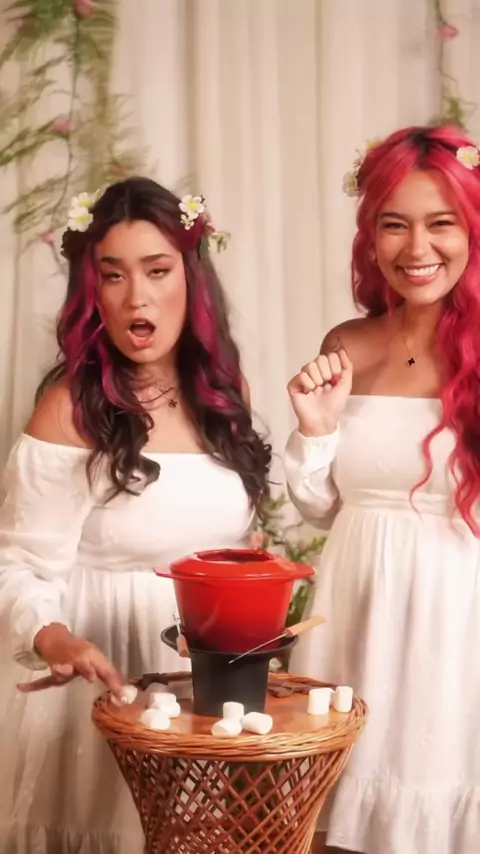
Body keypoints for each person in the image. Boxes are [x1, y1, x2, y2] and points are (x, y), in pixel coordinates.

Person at [0, 177, 271, 854]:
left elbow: (230, 542)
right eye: (112, 274)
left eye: (156, 270)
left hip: (200, 692)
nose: (135, 297)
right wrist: (54, 639)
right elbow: (17, 563)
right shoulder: (70, 409)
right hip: (98, 691)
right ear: (91, 290)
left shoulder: (224, 396)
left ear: (191, 278)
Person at [284, 125, 480, 854]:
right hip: (355, 613)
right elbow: (320, 508)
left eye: (441, 223)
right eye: (394, 224)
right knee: (335, 828)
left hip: (457, 628)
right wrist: (316, 429)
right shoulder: (348, 345)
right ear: (371, 236)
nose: (416, 247)